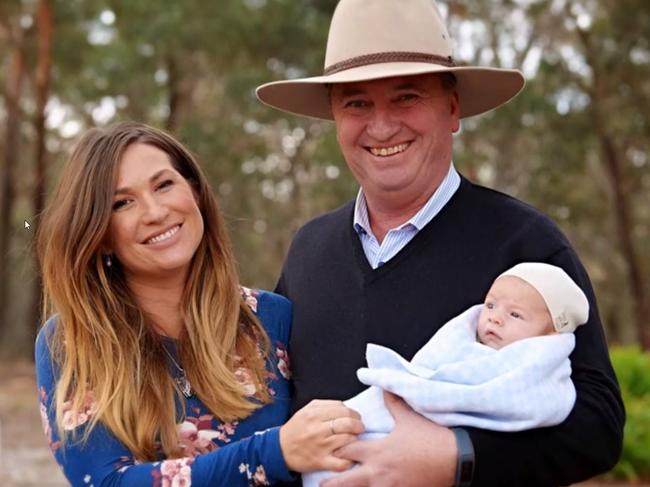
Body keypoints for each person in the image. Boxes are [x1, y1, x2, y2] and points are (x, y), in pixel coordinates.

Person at [255, 0, 625, 486]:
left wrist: (458, 456)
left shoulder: (525, 243)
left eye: (406, 97)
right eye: (356, 102)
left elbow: (598, 426)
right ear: (334, 117)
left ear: (452, 108)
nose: (382, 125)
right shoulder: (309, 249)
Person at [34, 122, 363, 487]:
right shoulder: (71, 341)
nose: (155, 211)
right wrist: (273, 452)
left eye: (164, 184)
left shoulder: (272, 318)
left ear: (195, 193)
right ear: (101, 236)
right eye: (122, 203)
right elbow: (107, 481)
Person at [304, 262, 590, 487]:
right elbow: (432, 371)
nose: (495, 317)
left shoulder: (532, 369)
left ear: (551, 332)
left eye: (515, 315)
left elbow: (498, 401)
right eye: (490, 305)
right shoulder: (461, 344)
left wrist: (456, 454)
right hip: (362, 429)